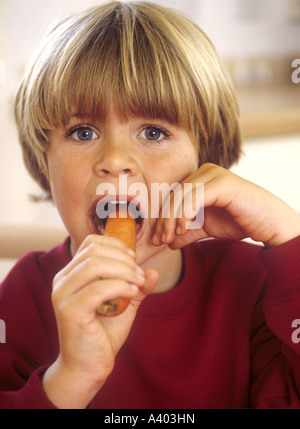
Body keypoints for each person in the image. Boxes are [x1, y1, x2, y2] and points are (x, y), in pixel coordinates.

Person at [0, 0, 300, 409]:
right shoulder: (21, 299)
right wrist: (70, 379)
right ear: (42, 160)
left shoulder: (249, 283)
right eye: (84, 132)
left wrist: (289, 236)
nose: (116, 161)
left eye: (154, 132)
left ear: (204, 161)